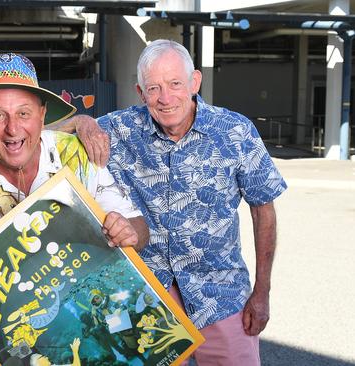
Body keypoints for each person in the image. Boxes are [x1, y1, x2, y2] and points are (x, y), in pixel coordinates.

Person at [75, 39, 288, 365]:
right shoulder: (117, 130)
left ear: (195, 82)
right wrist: (81, 122)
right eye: (154, 88)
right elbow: (41, 130)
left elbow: (264, 211)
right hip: (146, 298)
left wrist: (262, 293)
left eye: (175, 84)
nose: (165, 97)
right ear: (140, 92)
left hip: (220, 295)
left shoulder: (235, 131)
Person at [0, 53, 150, 365]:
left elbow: (140, 229)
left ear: (42, 114)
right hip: (22, 334)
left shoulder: (75, 154)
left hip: (94, 307)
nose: (12, 129)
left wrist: (129, 230)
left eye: (24, 113)